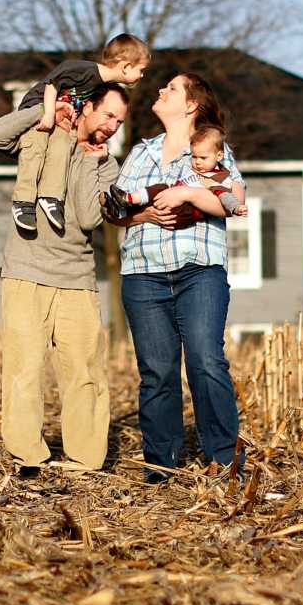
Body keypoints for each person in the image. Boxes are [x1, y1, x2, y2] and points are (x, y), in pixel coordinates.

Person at [105, 73, 245, 484]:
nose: (161, 91)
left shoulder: (213, 151)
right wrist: (144, 214)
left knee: (205, 359)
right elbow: (115, 210)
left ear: (189, 105)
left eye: (171, 88)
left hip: (198, 269)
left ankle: (223, 458)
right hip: (143, 273)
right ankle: (162, 464)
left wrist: (186, 194)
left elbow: (234, 203)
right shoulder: (140, 153)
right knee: (157, 371)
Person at [0, 82, 129, 475]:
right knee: (24, 368)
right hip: (25, 271)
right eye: (108, 114)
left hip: (77, 278)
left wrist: (94, 162)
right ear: (87, 107)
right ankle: (26, 455)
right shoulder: (42, 133)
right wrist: (45, 112)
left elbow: (85, 217)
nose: (113, 126)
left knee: (84, 372)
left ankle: (85, 459)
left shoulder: (107, 165)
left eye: (119, 120)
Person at [11, 34, 149, 234]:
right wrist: (47, 113)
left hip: (59, 122)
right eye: (141, 70)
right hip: (38, 114)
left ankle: (50, 198)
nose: (143, 75)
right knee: (38, 155)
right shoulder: (83, 70)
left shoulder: (97, 87)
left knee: (59, 150)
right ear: (126, 66)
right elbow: (52, 84)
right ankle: (24, 202)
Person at [103, 122, 247, 219]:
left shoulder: (217, 178)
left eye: (203, 158)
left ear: (219, 156)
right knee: (160, 188)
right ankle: (125, 200)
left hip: (186, 211)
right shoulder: (192, 168)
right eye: (194, 156)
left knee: (173, 207)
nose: (197, 161)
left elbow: (226, 197)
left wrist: (236, 208)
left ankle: (124, 206)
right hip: (172, 197)